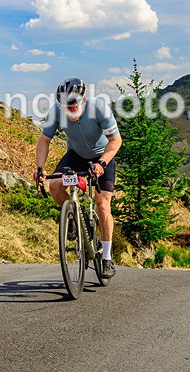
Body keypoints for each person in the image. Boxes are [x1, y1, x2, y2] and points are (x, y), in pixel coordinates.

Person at [34, 77, 122, 279]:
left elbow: (115, 141)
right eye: (66, 108)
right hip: (76, 156)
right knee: (55, 186)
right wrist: (40, 168)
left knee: (103, 205)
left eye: (73, 107)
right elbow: (44, 139)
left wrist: (102, 164)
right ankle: (74, 217)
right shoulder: (56, 111)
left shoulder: (99, 108)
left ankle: (107, 258)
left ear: (83, 100)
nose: (69, 111)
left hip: (102, 156)